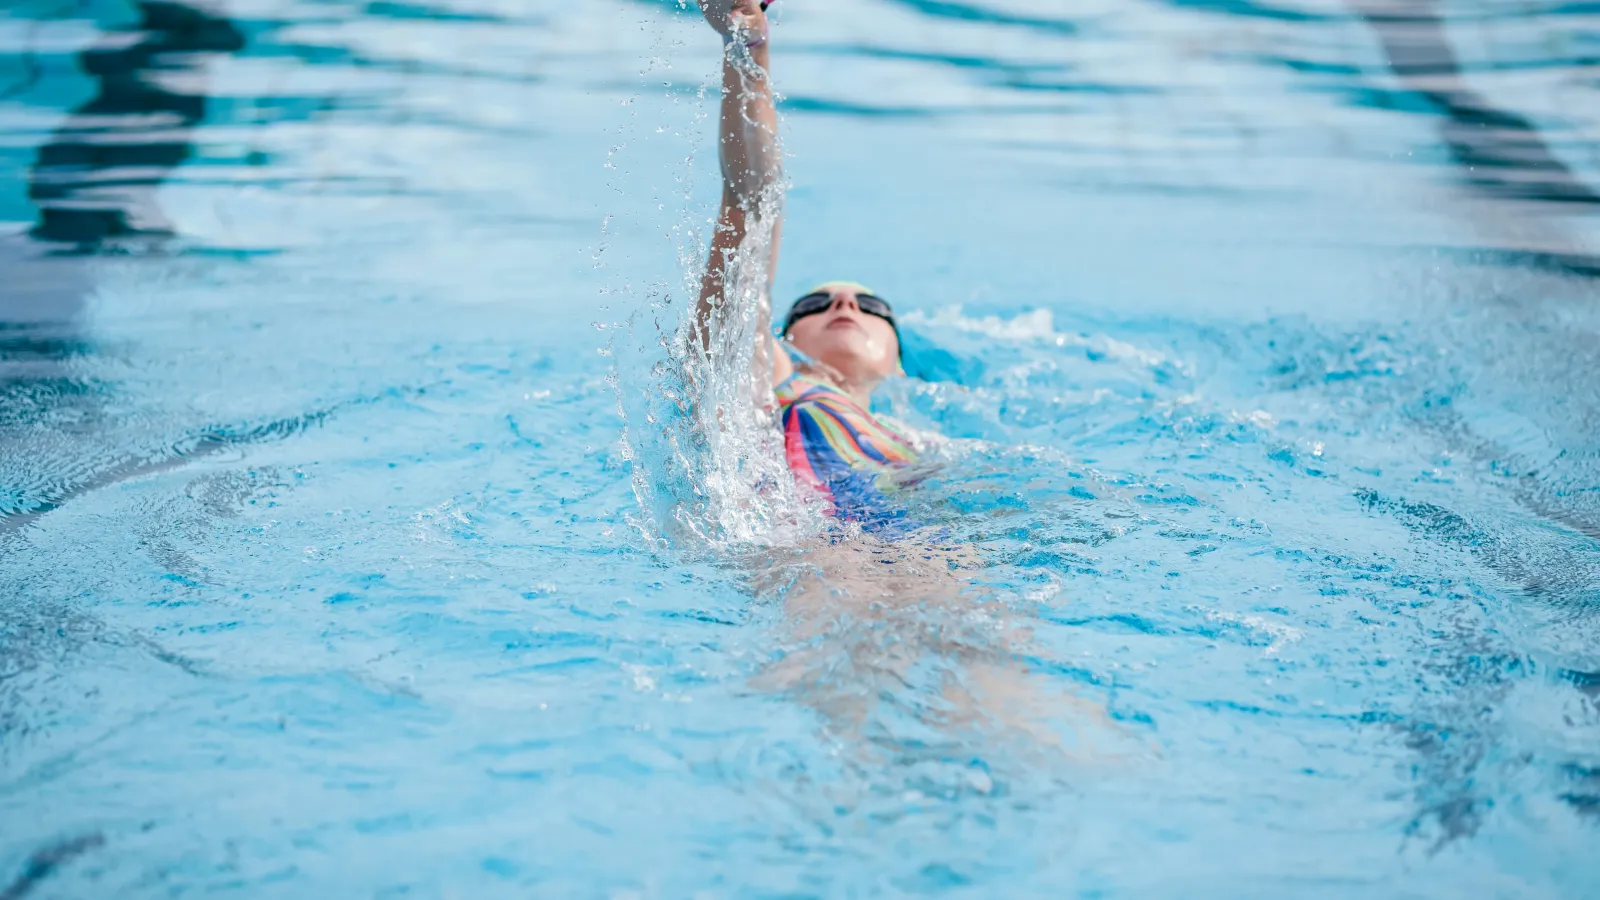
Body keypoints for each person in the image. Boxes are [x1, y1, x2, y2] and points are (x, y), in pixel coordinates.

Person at [696, 0, 918, 534]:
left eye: (871, 306)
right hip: (801, 553)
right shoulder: (766, 386)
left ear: (899, 364)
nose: (844, 304)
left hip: (923, 548)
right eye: (816, 304)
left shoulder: (926, 448)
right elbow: (752, 199)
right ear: (783, 335)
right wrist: (748, 45)